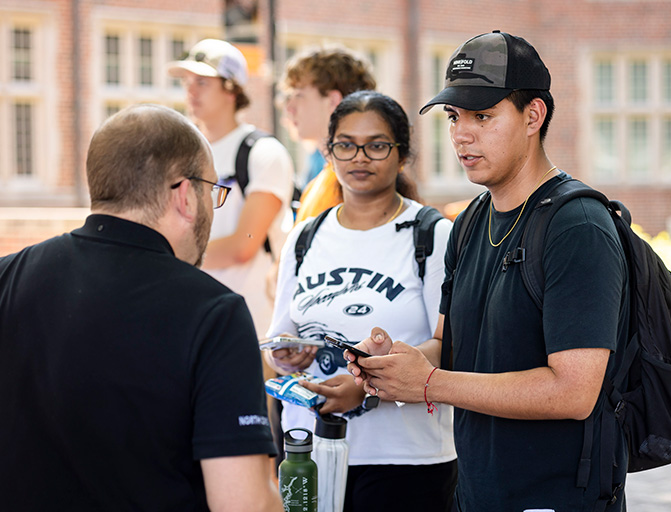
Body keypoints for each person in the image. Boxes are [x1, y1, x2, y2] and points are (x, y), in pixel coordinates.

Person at [347, 31, 630, 511]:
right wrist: (398, 363)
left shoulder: (577, 226)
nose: (461, 133)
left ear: (533, 116)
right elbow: (449, 346)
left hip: (558, 499)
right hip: (475, 494)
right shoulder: (471, 221)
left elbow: (575, 390)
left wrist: (430, 384)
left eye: (483, 116)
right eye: (455, 117)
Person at [0, 104, 282, 511]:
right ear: (184, 195)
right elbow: (243, 504)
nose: (213, 208)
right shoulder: (215, 313)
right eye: (212, 192)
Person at [266, 91, 457, 512]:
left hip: (404, 459)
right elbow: (281, 335)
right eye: (346, 145)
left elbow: (449, 347)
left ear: (402, 154)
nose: (359, 157)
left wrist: (364, 388)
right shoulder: (306, 237)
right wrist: (288, 353)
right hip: (308, 452)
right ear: (329, 153)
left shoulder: (429, 235)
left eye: (376, 145)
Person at [168, 38, 295, 338]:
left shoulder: (263, 152)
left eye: (202, 81)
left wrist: (165, 258)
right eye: (187, 82)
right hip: (191, 319)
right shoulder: (180, 153)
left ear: (231, 88)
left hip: (251, 325)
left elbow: (243, 246)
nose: (191, 90)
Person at [280, 46, 377, 222]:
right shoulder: (320, 180)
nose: (289, 108)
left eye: (299, 95)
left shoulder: (360, 181)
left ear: (332, 101)